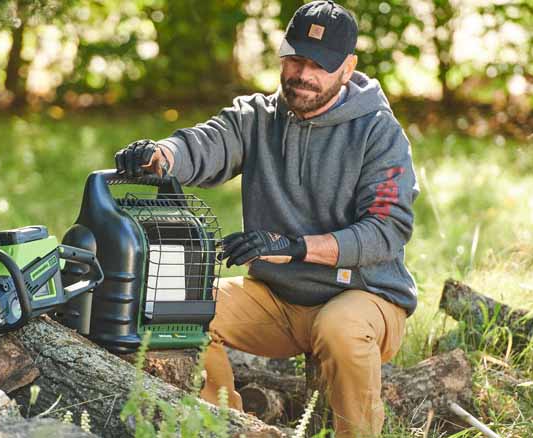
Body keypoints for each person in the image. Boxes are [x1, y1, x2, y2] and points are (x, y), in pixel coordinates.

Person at [115, 1, 418, 436]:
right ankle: (224, 426)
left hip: (364, 296)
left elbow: (386, 231)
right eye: (295, 58)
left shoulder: (379, 132)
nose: (303, 74)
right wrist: (160, 155)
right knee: (181, 308)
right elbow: (206, 145)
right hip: (280, 300)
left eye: (320, 65)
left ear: (348, 68)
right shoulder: (257, 117)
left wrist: (294, 247)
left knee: (340, 327)